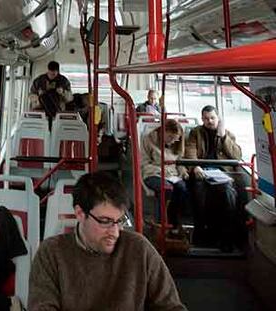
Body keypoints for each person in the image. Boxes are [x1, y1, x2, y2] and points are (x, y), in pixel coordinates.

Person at [28, 171, 186, 311]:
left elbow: (171, 306)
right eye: (105, 221)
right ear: (80, 213)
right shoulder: (52, 253)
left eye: (120, 221)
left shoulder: (139, 249)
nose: (115, 232)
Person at [185, 105, 248, 251]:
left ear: (218, 119)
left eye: (212, 118)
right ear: (202, 119)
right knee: (198, 191)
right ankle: (202, 233)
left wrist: (223, 136)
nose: (210, 121)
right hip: (202, 171)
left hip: (222, 172)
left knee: (228, 193)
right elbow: (190, 151)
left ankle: (228, 237)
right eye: (206, 119)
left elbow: (237, 155)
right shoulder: (196, 133)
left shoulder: (228, 134)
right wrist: (195, 166)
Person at [141, 119, 190, 235]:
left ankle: (173, 223)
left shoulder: (176, 144)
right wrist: (161, 171)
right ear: (163, 132)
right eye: (170, 138)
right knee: (166, 189)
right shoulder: (148, 140)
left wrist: (183, 172)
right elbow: (144, 162)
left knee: (182, 188)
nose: (172, 141)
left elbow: (179, 162)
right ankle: (161, 223)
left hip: (173, 175)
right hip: (153, 173)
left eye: (175, 139)